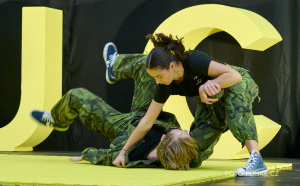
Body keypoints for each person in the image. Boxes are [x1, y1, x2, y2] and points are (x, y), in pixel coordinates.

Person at [113, 33, 268, 176]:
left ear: (172, 66)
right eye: (154, 78)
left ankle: (256, 159)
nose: (157, 81)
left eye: (159, 76)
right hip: (210, 100)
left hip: (234, 84)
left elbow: (234, 76)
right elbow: (147, 121)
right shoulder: (165, 86)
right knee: (191, 151)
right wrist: (124, 151)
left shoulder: (193, 60)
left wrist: (205, 86)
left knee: (234, 107)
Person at [30, 42, 199, 170]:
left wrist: (88, 154)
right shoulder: (184, 152)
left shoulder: (136, 153)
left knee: (76, 95)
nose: (185, 131)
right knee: (146, 64)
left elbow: (110, 156)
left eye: (181, 132)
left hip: (120, 126)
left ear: (164, 138)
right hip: (143, 115)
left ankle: (58, 119)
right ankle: (115, 67)